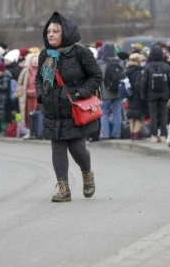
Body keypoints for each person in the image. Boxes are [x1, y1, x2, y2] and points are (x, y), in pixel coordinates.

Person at [35, 12, 102, 202]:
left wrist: (80, 93)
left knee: (77, 149)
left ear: (66, 33)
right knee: (57, 149)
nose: (51, 35)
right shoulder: (45, 55)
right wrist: (41, 95)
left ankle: (87, 174)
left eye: (56, 31)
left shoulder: (82, 53)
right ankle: (63, 189)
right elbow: (39, 78)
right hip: (52, 110)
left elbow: (96, 77)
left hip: (75, 110)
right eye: (48, 31)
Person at [141, 45, 170, 142]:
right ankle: (163, 135)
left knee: (153, 115)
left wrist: (143, 95)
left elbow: (144, 82)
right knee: (164, 114)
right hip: (164, 94)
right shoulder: (166, 66)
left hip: (151, 94)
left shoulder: (148, 67)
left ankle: (154, 135)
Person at [97, 42, 124, 140]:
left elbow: (97, 79)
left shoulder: (100, 63)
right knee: (117, 112)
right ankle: (116, 133)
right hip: (117, 91)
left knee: (104, 113)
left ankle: (105, 134)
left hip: (105, 92)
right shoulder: (120, 62)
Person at [16, 53, 39, 139]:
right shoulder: (25, 70)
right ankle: (29, 131)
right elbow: (20, 82)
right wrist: (20, 91)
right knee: (27, 114)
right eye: (34, 61)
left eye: (37, 61)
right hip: (27, 97)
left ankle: (38, 131)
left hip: (38, 96)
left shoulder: (43, 70)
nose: (35, 63)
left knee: (37, 114)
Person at [124, 53, 147, 140]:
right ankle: (136, 134)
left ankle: (132, 134)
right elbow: (138, 86)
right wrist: (143, 96)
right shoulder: (138, 72)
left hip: (129, 96)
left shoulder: (127, 71)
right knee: (139, 117)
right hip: (137, 97)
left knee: (132, 117)